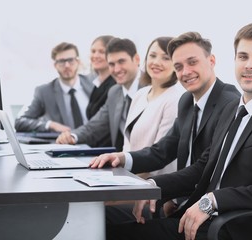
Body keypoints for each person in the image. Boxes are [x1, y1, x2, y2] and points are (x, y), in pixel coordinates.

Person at [103, 22, 252, 240]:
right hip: (203, 220)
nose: (249, 65)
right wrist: (153, 187)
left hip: (236, 228)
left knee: (110, 233)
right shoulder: (233, 108)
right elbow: (203, 167)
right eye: (242, 57)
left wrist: (213, 200)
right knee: (102, 223)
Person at [90, 32, 240, 222]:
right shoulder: (187, 101)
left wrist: (153, 186)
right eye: (179, 66)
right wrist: (121, 158)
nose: (185, 72)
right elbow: (163, 150)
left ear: (211, 61)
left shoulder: (229, 102)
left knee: (102, 222)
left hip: (206, 215)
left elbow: (204, 168)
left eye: (192, 62)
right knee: (96, 216)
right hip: (178, 204)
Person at [56, 38, 148, 150]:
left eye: (121, 62)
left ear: (136, 59)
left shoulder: (151, 87)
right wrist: (72, 136)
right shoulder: (115, 92)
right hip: (123, 162)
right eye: (111, 64)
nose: (116, 69)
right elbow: (95, 126)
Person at [123, 36, 185, 178]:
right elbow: (127, 145)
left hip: (155, 185)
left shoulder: (175, 98)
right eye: (152, 56)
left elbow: (160, 155)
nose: (157, 62)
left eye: (165, 58)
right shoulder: (140, 94)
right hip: (130, 178)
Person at [14, 42, 94, 132]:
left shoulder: (93, 84)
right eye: (61, 62)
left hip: (95, 143)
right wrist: (50, 125)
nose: (67, 65)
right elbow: (20, 121)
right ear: (55, 65)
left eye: (71, 60)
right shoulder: (44, 92)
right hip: (64, 144)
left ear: (78, 62)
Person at [86, 35, 116, 120]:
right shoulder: (97, 84)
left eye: (102, 52)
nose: (95, 56)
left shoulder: (115, 85)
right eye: (93, 51)